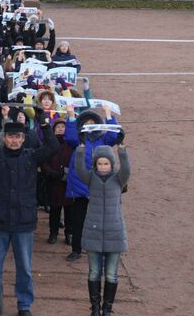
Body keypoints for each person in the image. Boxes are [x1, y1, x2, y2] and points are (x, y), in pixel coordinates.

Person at [0, 110, 60, 316]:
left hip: (23, 222)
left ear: (23, 139)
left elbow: (53, 146)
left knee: (25, 268)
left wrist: (44, 123)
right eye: (10, 136)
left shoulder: (32, 156)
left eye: (18, 137)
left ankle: (24, 305)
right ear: (4, 138)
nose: (14, 140)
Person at [75, 130, 129, 316]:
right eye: (100, 163)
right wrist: (81, 147)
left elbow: (127, 169)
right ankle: (95, 308)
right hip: (94, 232)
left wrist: (121, 148)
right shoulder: (90, 178)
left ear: (112, 164)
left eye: (106, 163)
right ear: (95, 164)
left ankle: (107, 309)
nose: (103, 166)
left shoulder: (118, 179)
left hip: (114, 233)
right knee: (94, 273)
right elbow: (79, 168)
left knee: (112, 274)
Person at [64, 105, 119, 262]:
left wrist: (109, 115)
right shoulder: (78, 139)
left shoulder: (103, 139)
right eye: (86, 123)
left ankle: (97, 249)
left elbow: (114, 136)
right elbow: (70, 137)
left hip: (98, 184)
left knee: (99, 221)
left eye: (91, 123)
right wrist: (71, 117)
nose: (89, 126)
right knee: (78, 220)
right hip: (80, 185)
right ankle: (76, 249)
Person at [40, 118, 73, 245]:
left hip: (68, 182)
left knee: (69, 211)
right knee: (54, 210)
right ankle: (53, 233)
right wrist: (50, 172)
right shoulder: (48, 144)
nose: (60, 129)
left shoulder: (71, 143)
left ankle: (69, 233)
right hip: (53, 182)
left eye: (63, 127)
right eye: (58, 127)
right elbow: (43, 161)